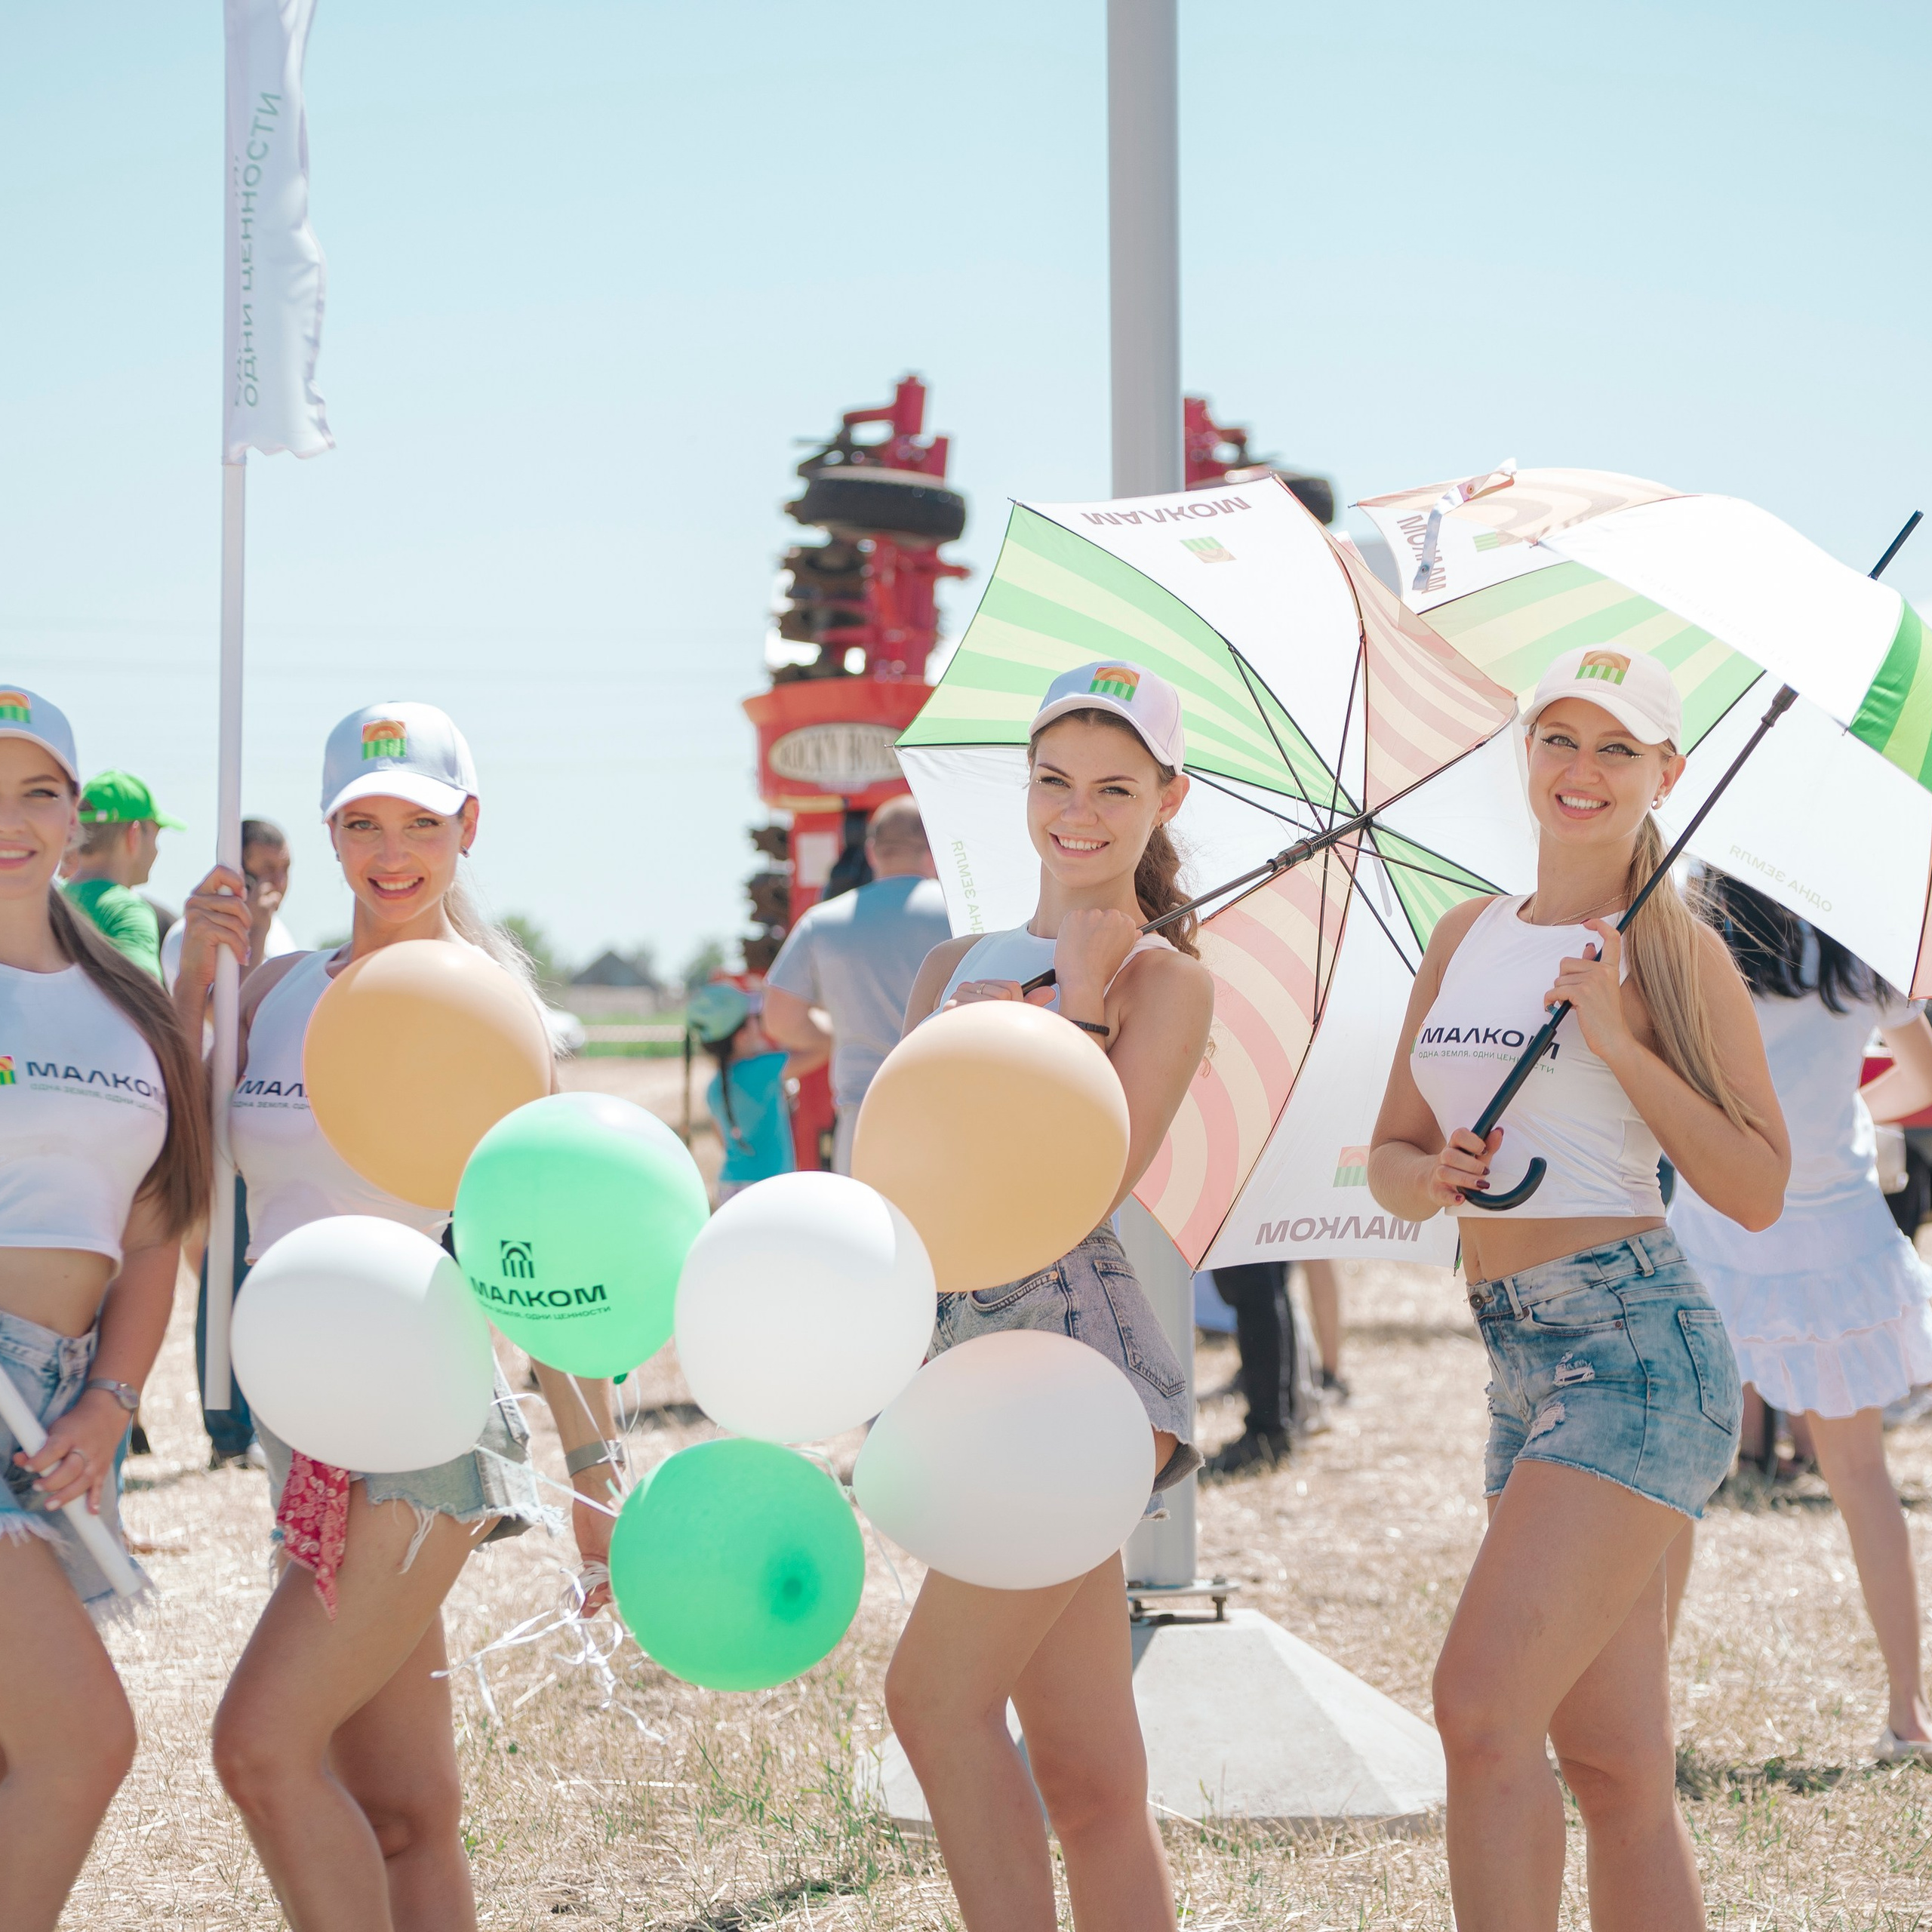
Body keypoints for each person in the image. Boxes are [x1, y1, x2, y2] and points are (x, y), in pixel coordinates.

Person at [172, 700, 620, 1931]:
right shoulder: (267, 988)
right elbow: (187, 1190)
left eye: (419, 821)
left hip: (423, 1426)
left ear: (467, 825)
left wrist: (596, 1468)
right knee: (407, 1812)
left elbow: (547, 1252)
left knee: (260, 1750)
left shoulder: (489, 1016)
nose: (390, 851)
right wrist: (184, 993)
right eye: (361, 822)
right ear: (328, 834)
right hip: (296, 1423)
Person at [1368, 645, 1787, 1930]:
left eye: (1617, 749)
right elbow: (1386, 1158)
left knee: (1482, 1709)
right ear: (1527, 752)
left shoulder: (1675, 955)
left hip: (1636, 1349)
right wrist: (1432, 1169)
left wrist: (1617, 1039)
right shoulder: (1466, 933)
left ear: (1666, 774)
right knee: (1613, 1771)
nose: (1583, 771)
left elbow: (1758, 1183)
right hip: (1517, 1357)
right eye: (1561, 738)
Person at [884, 659, 1214, 1932]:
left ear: (1165, 799)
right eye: (1054, 780)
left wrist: (1079, 1005)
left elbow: (1089, 1182)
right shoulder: (953, 964)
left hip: (1082, 1366)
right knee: (1086, 1774)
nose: (1078, 812)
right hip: (966, 1350)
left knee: (932, 1698)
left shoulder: (1166, 981)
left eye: (1115, 787)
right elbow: (905, 1164)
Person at [0, 688, 209, 1928]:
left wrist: (112, 1398)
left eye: (37, 791)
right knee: (82, 1746)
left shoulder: (126, 1001)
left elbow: (153, 1227)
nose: (10, 822)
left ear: (78, 814)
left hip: (66, 1408)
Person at [1668, 876, 1932, 1755]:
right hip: (1834, 1240)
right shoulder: (1861, 951)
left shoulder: (1691, 951)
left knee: (1674, 1487)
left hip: (1714, 1229)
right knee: (1861, 1478)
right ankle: (1907, 1710)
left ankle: (1640, 1712)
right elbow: (1923, 1078)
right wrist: (1849, 1108)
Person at [165, 818, 297, 1466]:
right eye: (257, 872)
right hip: (214, 1128)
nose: (272, 886)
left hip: (273, 1130)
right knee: (222, 1275)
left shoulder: (294, 944)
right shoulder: (189, 939)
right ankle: (227, 1430)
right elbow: (216, 1019)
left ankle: (273, 1417)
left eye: (283, 869)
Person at [763, 794, 950, 1173]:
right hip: (950, 1114)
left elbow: (779, 1019)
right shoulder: (964, 918)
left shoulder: (822, 922)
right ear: (932, 850)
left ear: (871, 853)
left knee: (871, 1230)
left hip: (863, 1116)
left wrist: (837, 1031)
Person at [689, 982, 820, 1202]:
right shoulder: (765, 1068)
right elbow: (822, 1049)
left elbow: (724, 1141)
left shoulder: (713, 1088)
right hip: (770, 1189)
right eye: (755, 1020)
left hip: (729, 1189)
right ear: (741, 1036)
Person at [58, 769, 185, 982]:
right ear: (134, 834)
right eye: (155, 835)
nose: (157, 850)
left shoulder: (47, 902)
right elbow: (143, 1010)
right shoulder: (128, 913)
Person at [162, 817, 297, 993]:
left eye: (285, 869)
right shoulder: (188, 936)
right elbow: (214, 1015)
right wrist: (257, 931)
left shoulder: (279, 931)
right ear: (240, 873)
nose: (280, 882)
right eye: (268, 868)